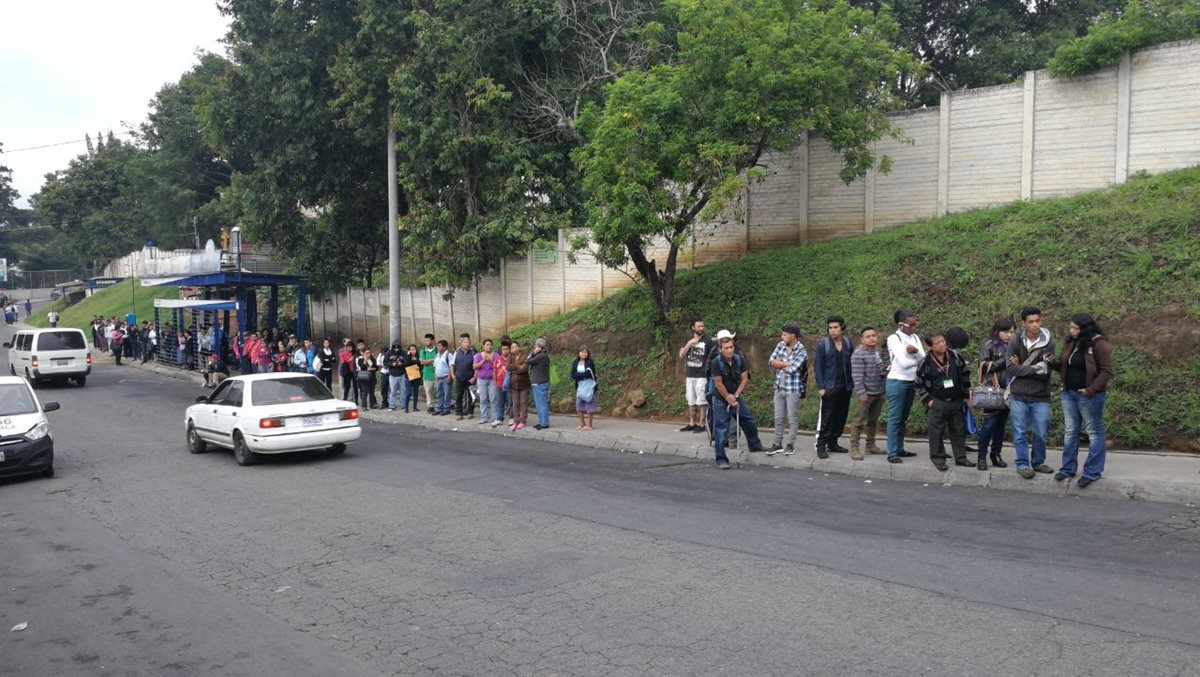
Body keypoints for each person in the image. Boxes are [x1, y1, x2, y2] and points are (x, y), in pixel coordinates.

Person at [1055, 313, 1114, 488]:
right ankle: (1067, 468)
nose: (1072, 331)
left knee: (1094, 432)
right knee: (1070, 431)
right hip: (1069, 393)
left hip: (1089, 395)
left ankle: (1092, 471)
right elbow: (1065, 365)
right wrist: (1052, 363)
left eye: (1076, 328)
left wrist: (1091, 389)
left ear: (1085, 328)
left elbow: (1107, 371)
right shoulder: (1070, 342)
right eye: (1070, 327)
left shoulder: (1098, 344)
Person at [1006, 306, 1057, 479]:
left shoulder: (1048, 342)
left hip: (1040, 395)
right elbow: (1011, 369)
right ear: (1024, 323)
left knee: (1041, 431)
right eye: (1031, 322)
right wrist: (1034, 369)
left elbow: (1046, 371)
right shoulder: (1015, 342)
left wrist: (1023, 367)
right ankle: (1022, 464)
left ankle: (1038, 461)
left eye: (1037, 321)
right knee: (1019, 431)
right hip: (1019, 394)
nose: (1035, 325)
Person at [915, 332, 973, 471]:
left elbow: (965, 374)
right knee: (936, 432)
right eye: (937, 343)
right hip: (937, 402)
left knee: (958, 430)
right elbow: (918, 382)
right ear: (930, 346)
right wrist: (928, 400)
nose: (942, 344)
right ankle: (938, 458)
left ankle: (961, 458)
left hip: (956, 400)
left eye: (943, 341)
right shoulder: (926, 362)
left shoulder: (955, 356)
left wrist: (966, 395)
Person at [709, 332, 764, 469]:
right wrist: (728, 397)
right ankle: (721, 459)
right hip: (721, 399)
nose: (729, 350)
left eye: (731, 347)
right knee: (721, 430)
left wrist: (736, 396)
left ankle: (755, 445)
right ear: (720, 349)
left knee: (748, 420)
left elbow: (745, 378)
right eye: (726, 348)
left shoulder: (739, 359)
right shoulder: (716, 362)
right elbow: (718, 383)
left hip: (735, 396)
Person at [885, 310, 925, 464]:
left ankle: (900, 448)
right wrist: (916, 355)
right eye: (911, 324)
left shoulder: (914, 338)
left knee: (903, 418)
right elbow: (903, 362)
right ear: (902, 325)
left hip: (911, 381)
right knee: (895, 418)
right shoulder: (893, 339)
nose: (914, 327)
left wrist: (914, 353)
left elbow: (924, 359)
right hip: (897, 381)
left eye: (916, 323)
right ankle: (892, 452)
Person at [813, 316, 855, 459]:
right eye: (830, 328)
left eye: (835, 327)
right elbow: (817, 367)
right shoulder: (822, 344)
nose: (833, 330)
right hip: (830, 386)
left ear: (842, 328)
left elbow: (852, 363)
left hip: (846, 386)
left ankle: (833, 442)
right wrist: (821, 386)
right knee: (827, 417)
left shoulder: (848, 343)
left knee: (841, 416)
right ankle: (821, 445)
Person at [977, 317, 1015, 470]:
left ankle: (996, 454)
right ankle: (981, 455)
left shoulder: (1015, 345)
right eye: (1006, 332)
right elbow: (984, 366)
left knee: (1001, 426)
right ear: (997, 332)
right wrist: (1005, 361)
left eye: (1012, 331)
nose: (1010, 335)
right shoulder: (989, 345)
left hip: (1010, 390)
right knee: (989, 425)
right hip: (992, 392)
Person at [766, 323, 808, 456]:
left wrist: (780, 363)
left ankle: (790, 444)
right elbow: (771, 361)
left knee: (792, 418)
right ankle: (777, 443)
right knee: (778, 417)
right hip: (779, 387)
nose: (782, 336)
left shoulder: (802, 350)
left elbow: (792, 369)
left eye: (784, 334)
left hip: (793, 389)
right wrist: (785, 363)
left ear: (793, 336)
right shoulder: (780, 345)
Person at [849, 326, 888, 460]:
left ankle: (870, 445)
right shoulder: (859, 353)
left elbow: (882, 372)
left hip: (879, 392)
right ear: (862, 339)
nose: (872, 338)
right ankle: (854, 448)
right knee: (859, 421)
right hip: (866, 394)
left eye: (874, 335)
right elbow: (857, 376)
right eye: (868, 336)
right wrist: (861, 393)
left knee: (873, 421)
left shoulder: (877, 352)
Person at [677, 319, 714, 434]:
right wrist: (689, 344)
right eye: (698, 326)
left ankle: (701, 423)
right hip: (690, 374)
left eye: (702, 326)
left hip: (702, 375)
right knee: (691, 399)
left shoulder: (708, 341)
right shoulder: (687, 339)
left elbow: (712, 357)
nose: (701, 328)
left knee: (701, 399)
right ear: (693, 327)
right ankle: (692, 422)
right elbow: (681, 355)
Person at [571, 345, 598, 430]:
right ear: (578, 353)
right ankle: (582, 423)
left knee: (590, 404)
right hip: (579, 386)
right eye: (582, 352)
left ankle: (589, 425)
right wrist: (581, 376)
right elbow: (573, 375)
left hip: (589, 386)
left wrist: (579, 375)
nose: (584, 354)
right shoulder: (575, 362)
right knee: (579, 405)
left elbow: (589, 373)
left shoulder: (590, 361)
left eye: (586, 352)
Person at [450, 334, 477, 419]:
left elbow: (476, 367)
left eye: (468, 342)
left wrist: (475, 377)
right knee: (459, 396)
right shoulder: (457, 352)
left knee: (471, 396)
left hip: (470, 378)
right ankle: (459, 412)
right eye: (465, 342)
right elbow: (452, 365)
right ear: (461, 343)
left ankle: (470, 412)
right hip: (459, 377)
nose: (467, 344)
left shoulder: (473, 352)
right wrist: (452, 374)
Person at [473, 339, 499, 426]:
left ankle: (494, 418)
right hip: (481, 380)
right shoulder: (478, 355)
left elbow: (498, 366)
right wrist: (483, 360)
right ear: (483, 346)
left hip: (492, 380)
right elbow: (475, 367)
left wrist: (491, 360)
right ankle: (484, 418)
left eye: (490, 344)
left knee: (493, 399)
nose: (489, 346)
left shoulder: (496, 355)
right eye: (487, 345)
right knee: (483, 399)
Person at [528, 338, 552, 430]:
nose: (534, 347)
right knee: (538, 404)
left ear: (539, 347)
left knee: (542, 403)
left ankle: (544, 423)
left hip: (540, 382)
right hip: (538, 382)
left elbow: (528, 360)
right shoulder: (542, 355)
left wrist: (533, 353)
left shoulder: (541, 356)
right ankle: (541, 421)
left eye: (536, 345)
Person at [507, 339, 531, 430]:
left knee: (523, 403)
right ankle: (516, 421)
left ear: (519, 347)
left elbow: (525, 368)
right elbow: (507, 366)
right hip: (513, 384)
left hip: (524, 384)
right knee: (515, 403)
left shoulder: (524, 356)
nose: (515, 348)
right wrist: (518, 367)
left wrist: (514, 369)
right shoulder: (510, 356)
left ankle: (523, 421)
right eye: (512, 347)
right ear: (511, 349)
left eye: (516, 346)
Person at [401, 344, 423, 412]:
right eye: (411, 349)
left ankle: (415, 407)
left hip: (416, 377)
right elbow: (405, 364)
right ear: (409, 350)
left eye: (414, 349)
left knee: (416, 392)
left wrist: (419, 367)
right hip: (409, 377)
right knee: (408, 393)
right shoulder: (407, 357)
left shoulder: (418, 357)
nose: (413, 351)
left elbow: (421, 365)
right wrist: (408, 355)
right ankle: (406, 408)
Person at [433, 339, 453, 415]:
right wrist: (435, 375)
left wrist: (450, 376)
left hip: (446, 377)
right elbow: (435, 366)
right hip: (438, 378)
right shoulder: (437, 355)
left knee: (447, 394)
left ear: (444, 347)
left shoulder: (448, 355)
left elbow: (451, 366)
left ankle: (446, 409)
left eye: (440, 346)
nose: (438, 347)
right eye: (437, 345)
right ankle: (439, 408)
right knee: (439, 394)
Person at [419, 334, 437, 413]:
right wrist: (434, 359)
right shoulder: (423, 351)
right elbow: (422, 362)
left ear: (432, 341)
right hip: (427, 374)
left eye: (428, 340)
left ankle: (441, 405)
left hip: (437, 374)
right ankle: (430, 406)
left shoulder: (437, 350)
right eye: (425, 340)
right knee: (428, 391)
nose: (426, 342)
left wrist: (428, 361)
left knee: (440, 391)